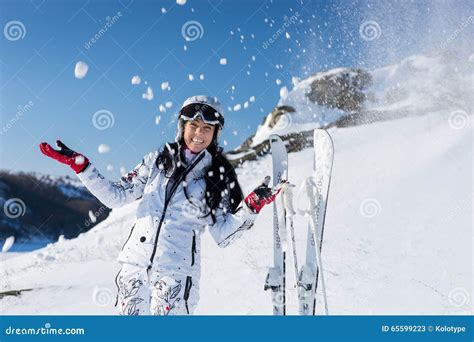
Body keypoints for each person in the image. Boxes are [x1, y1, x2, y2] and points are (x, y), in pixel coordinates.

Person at [39, 95, 284, 315]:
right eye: (193, 126)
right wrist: (82, 167)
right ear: (182, 126)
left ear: (215, 133)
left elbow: (223, 234)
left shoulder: (217, 175)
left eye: (207, 128)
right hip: (134, 269)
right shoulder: (156, 160)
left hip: (174, 276)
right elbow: (117, 196)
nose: (199, 134)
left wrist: (251, 207)